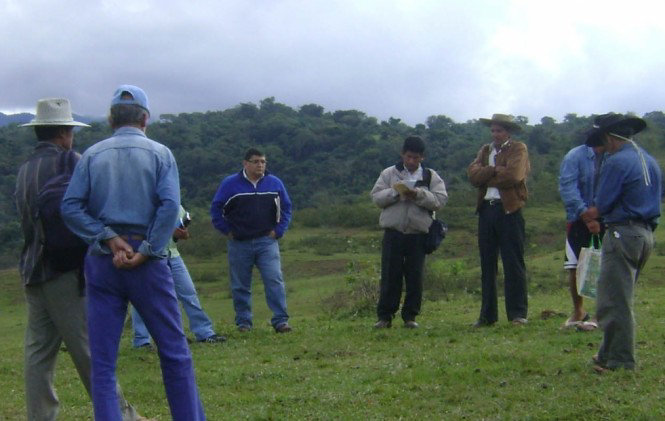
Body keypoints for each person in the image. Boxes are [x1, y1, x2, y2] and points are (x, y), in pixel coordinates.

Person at [61, 85, 205, 420]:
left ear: (111, 119)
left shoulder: (93, 155)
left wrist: (108, 238)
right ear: (146, 118)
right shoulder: (160, 154)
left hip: (103, 262)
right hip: (148, 262)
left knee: (103, 360)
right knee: (174, 351)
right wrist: (149, 249)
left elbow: (70, 207)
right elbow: (170, 205)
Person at [15, 98, 140, 420]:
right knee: (90, 350)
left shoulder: (25, 169)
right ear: (64, 132)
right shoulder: (71, 161)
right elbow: (94, 208)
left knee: (38, 355)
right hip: (66, 272)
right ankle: (122, 415)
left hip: (32, 269)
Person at [582, 113, 661, 372]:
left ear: (608, 137)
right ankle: (606, 354)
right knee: (619, 295)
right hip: (645, 233)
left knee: (614, 300)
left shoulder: (616, 162)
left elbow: (603, 202)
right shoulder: (649, 160)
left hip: (622, 232)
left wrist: (589, 213)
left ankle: (621, 360)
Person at [210, 148, 293, 333]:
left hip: (266, 241)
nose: (260, 165)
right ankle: (244, 323)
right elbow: (216, 209)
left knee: (274, 280)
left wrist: (278, 231)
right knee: (240, 284)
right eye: (256, 161)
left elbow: (286, 208)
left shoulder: (274, 183)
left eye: (263, 161)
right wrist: (227, 231)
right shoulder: (230, 184)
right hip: (239, 242)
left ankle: (280, 321)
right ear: (245, 163)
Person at [370, 136, 448, 329]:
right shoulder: (389, 173)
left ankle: (410, 316)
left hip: (417, 233)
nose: (412, 161)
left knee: (414, 276)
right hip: (393, 232)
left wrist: (419, 194)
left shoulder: (430, 176)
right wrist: (395, 192)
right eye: (409, 157)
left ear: (422, 157)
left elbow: (440, 200)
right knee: (390, 275)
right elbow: (376, 198)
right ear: (402, 154)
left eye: (416, 158)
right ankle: (385, 317)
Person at [131, 206, 225, 348]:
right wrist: (170, 232)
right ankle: (141, 340)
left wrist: (182, 233)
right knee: (143, 296)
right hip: (149, 255)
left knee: (189, 293)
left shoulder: (175, 204)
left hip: (172, 254)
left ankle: (204, 333)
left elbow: (181, 233)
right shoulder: (144, 201)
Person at [467, 114, 530, 327]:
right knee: (487, 263)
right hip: (486, 210)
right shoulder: (485, 151)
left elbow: (514, 176)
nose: (495, 134)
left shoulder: (518, 149)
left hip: (509, 211)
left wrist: (486, 177)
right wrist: (493, 170)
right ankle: (487, 315)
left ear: (508, 132)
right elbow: (473, 176)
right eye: (493, 130)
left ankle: (518, 314)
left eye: (499, 130)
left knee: (513, 262)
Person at [558, 143, 605, 330]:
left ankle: (599, 314)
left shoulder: (613, 156)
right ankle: (579, 310)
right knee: (575, 265)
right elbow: (568, 188)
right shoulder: (574, 156)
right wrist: (586, 215)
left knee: (605, 265)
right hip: (578, 217)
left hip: (606, 217)